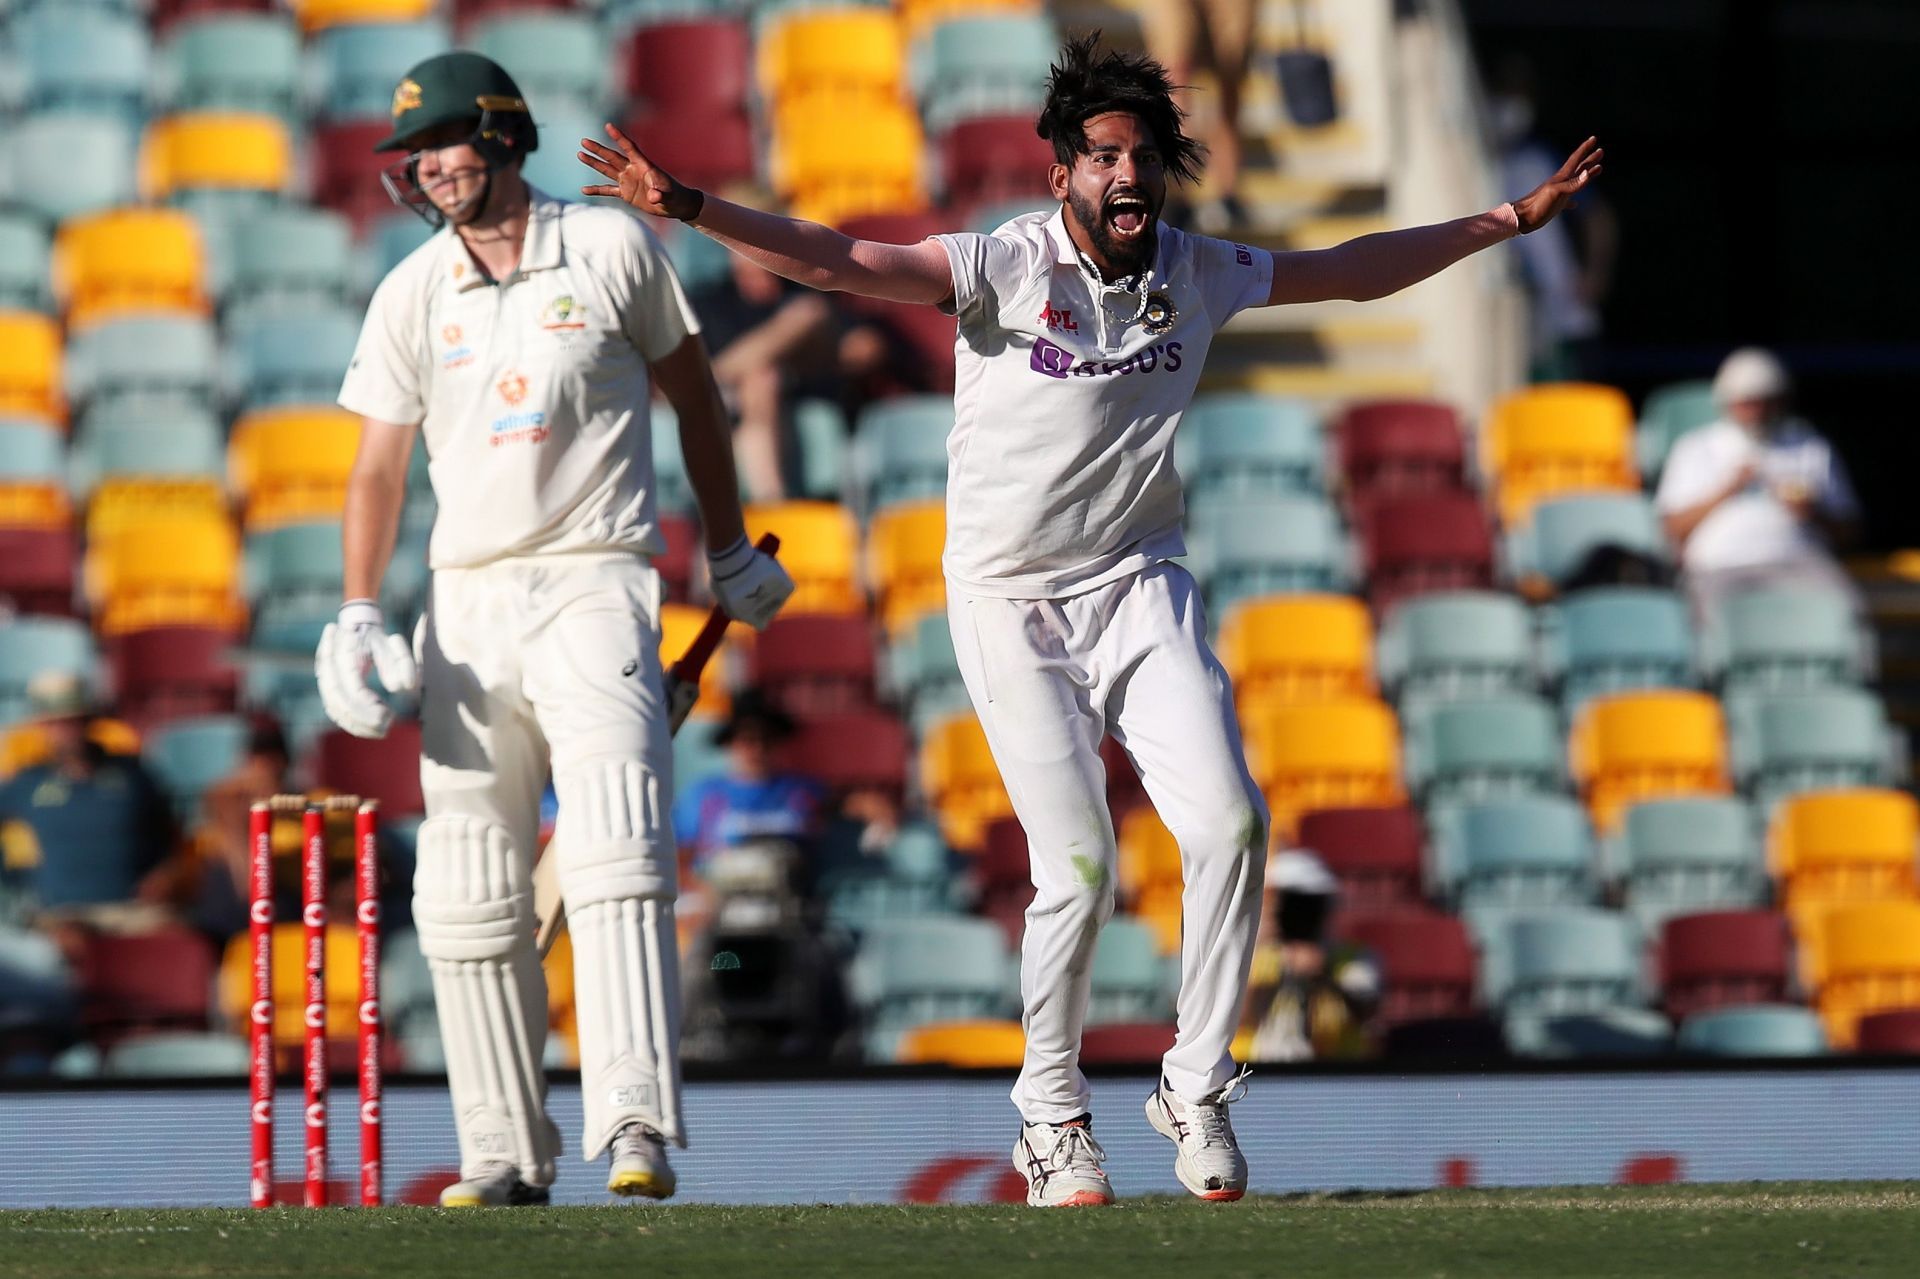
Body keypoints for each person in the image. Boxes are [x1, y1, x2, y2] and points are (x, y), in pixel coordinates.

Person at [580, 34, 1599, 1206]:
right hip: (1008, 598)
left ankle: (1197, 1083)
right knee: (1078, 867)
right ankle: (1050, 1114)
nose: (1127, 174)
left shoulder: (1197, 269)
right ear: (1062, 170)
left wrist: (1509, 220)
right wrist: (692, 205)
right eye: (1103, 154)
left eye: (1144, 155)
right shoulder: (1004, 264)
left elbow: (1354, 270)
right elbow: (840, 260)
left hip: (1136, 580)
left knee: (1230, 824)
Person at [317, 52, 793, 1208]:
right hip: (466, 601)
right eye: (414, 154)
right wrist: (358, 606)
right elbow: (377, 467)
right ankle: (501, 1148)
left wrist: (726, 548)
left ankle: (633, 1122)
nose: (430, 169)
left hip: (598, 576)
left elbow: (696, 398)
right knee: (469, 883)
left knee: (616, 843)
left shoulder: (611, 248)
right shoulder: (413, 291)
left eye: (445, 143)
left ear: (501, 136)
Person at [1654, 347, 1862, 619]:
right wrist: (1727, 490)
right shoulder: (1695, 447)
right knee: (1701, 622)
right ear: (1727, 402)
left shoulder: (1811, 446)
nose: (1757, 412)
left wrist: (1812, 513)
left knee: (1849, 612)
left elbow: (1850, 530)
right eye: (1747, 403)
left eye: (1766, 401)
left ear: (1782, 401)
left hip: (1799, 564)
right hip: (1718, 568)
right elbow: (1669, 528)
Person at [0, 671, 180, 946]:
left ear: (89, 722)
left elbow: (170, 829)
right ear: (42, 728)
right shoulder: (28, 783)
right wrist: (15, 883)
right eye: (56, 724)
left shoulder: (133, 775)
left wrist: (166, 872)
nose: (65, 732)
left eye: (73, 722)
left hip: (133, 910)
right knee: (70, 948)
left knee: (180, 942)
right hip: (61, 916)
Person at [1237, 851, 1378, 1062]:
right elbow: (1238, 1018)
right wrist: (1262, 947)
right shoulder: (1250, 958)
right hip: (1261, 1078)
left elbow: (1367, 1011)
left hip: (1338, 1078)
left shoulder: (1352, 959)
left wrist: (1324, 972)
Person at [671, 689, 826, 873]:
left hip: (794, 893)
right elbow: (679, 854)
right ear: (730, 743)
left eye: (766, 739)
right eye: (748, 740)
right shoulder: (702, 796)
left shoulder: (805, 792)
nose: (758, 749)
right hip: (718, 893)